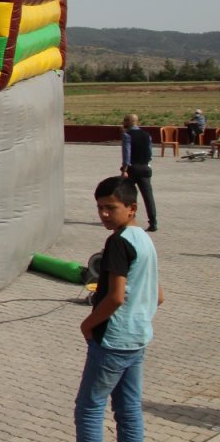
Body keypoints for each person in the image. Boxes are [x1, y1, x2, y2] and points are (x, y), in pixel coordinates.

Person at [75, 177, 164, 442]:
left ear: (131, 208)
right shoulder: (144, 240)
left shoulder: (118, 242)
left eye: (111, 208)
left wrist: (88, 324)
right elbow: (158, 295)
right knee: (128, 408)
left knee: (89, 409)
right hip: (137, 338)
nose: (104, 214)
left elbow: (115, 297)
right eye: (100, 207)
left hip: (113, 340)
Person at [120, 114, 158, 232]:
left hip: (133, 169)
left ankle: (129, 218)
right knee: (148, 196)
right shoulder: (147, 135)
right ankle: (153, 222)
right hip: (145, 168)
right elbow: (150, 153)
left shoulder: (127, 135)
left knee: (128, 195)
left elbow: (127, 155)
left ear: (130, 122)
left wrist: (124, 170)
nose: (123, 122)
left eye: (125, 120)